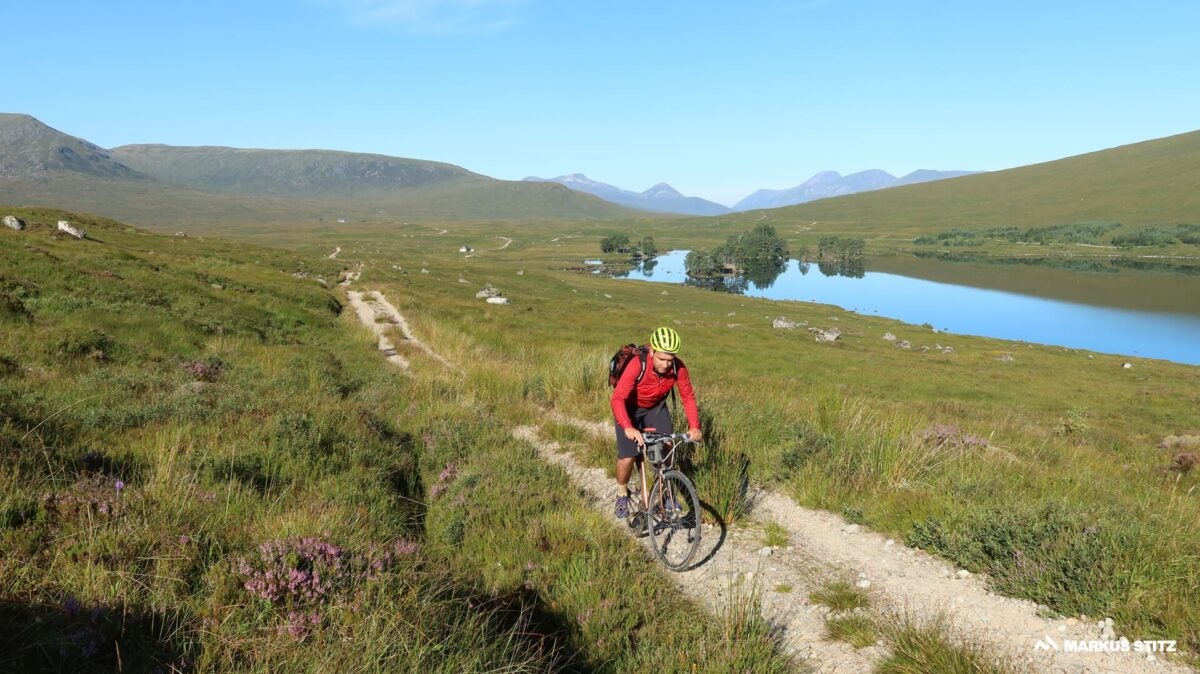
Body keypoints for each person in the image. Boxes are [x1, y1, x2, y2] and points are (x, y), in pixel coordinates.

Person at [610, 326, 702, 519]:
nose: (667, 364)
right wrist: (628, 426)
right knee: (628, 457)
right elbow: (617, 398)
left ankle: (663, 493)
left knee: (666, 447)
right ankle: (621, 494)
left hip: (655, 408)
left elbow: (688, 397)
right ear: (652, 351)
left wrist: (694, 426)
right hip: (629, 408)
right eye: (662, 359)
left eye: (670, 359)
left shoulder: (678, 367)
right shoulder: (637, 364)